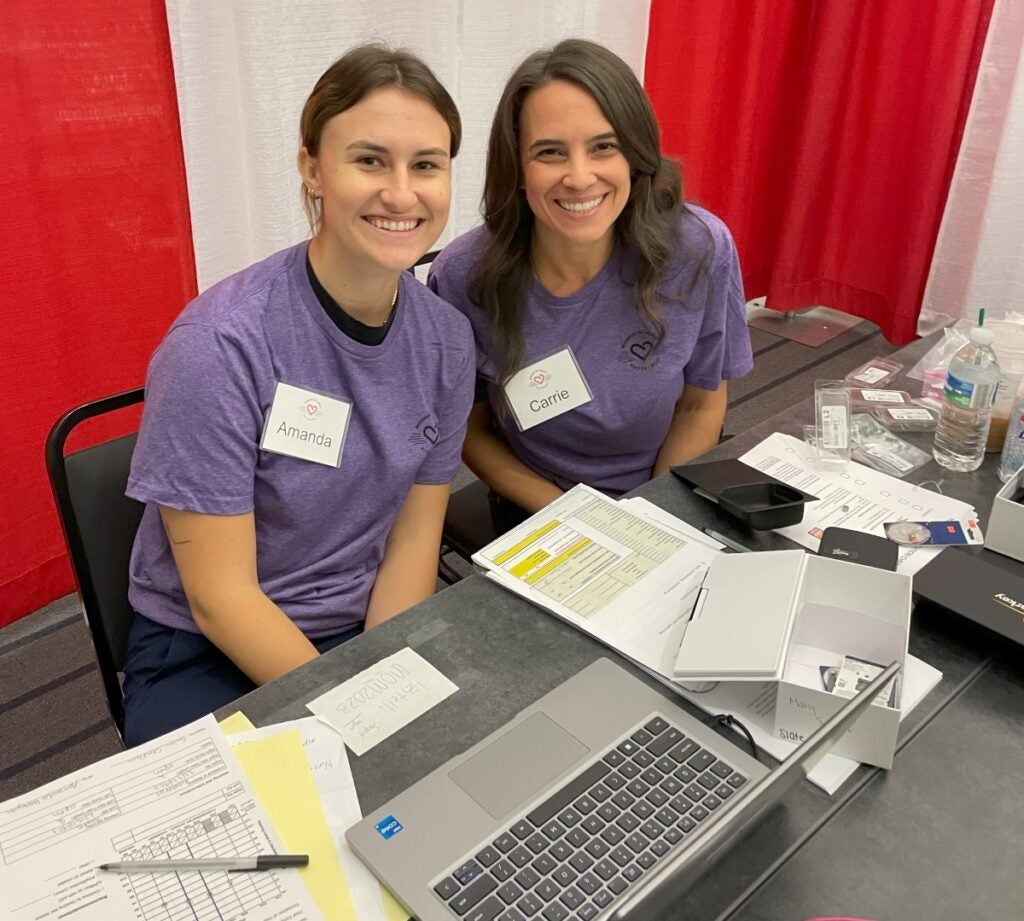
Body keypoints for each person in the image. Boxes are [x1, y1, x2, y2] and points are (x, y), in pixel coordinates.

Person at [121, 45, 474, 746]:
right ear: (312, 168)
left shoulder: (448, 341)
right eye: (370, 160)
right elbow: (221, 597)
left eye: (426, 165)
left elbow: (410, 541)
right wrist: (350, 714)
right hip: (206, 647)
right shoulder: (220, 344)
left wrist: (382, 671)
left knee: (464, 787)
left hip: (362, 617)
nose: (402, 194)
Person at [429, 39, 752, 532]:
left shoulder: (699, 249)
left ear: (636, 154)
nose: (580, 178)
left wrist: (653, 518)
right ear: (517, 166)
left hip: (669, 487)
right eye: (551, 152)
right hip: (538, 503)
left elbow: (699, 404)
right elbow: (471, 433)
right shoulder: (462, 278)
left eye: (604, 147)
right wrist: (580, 520)